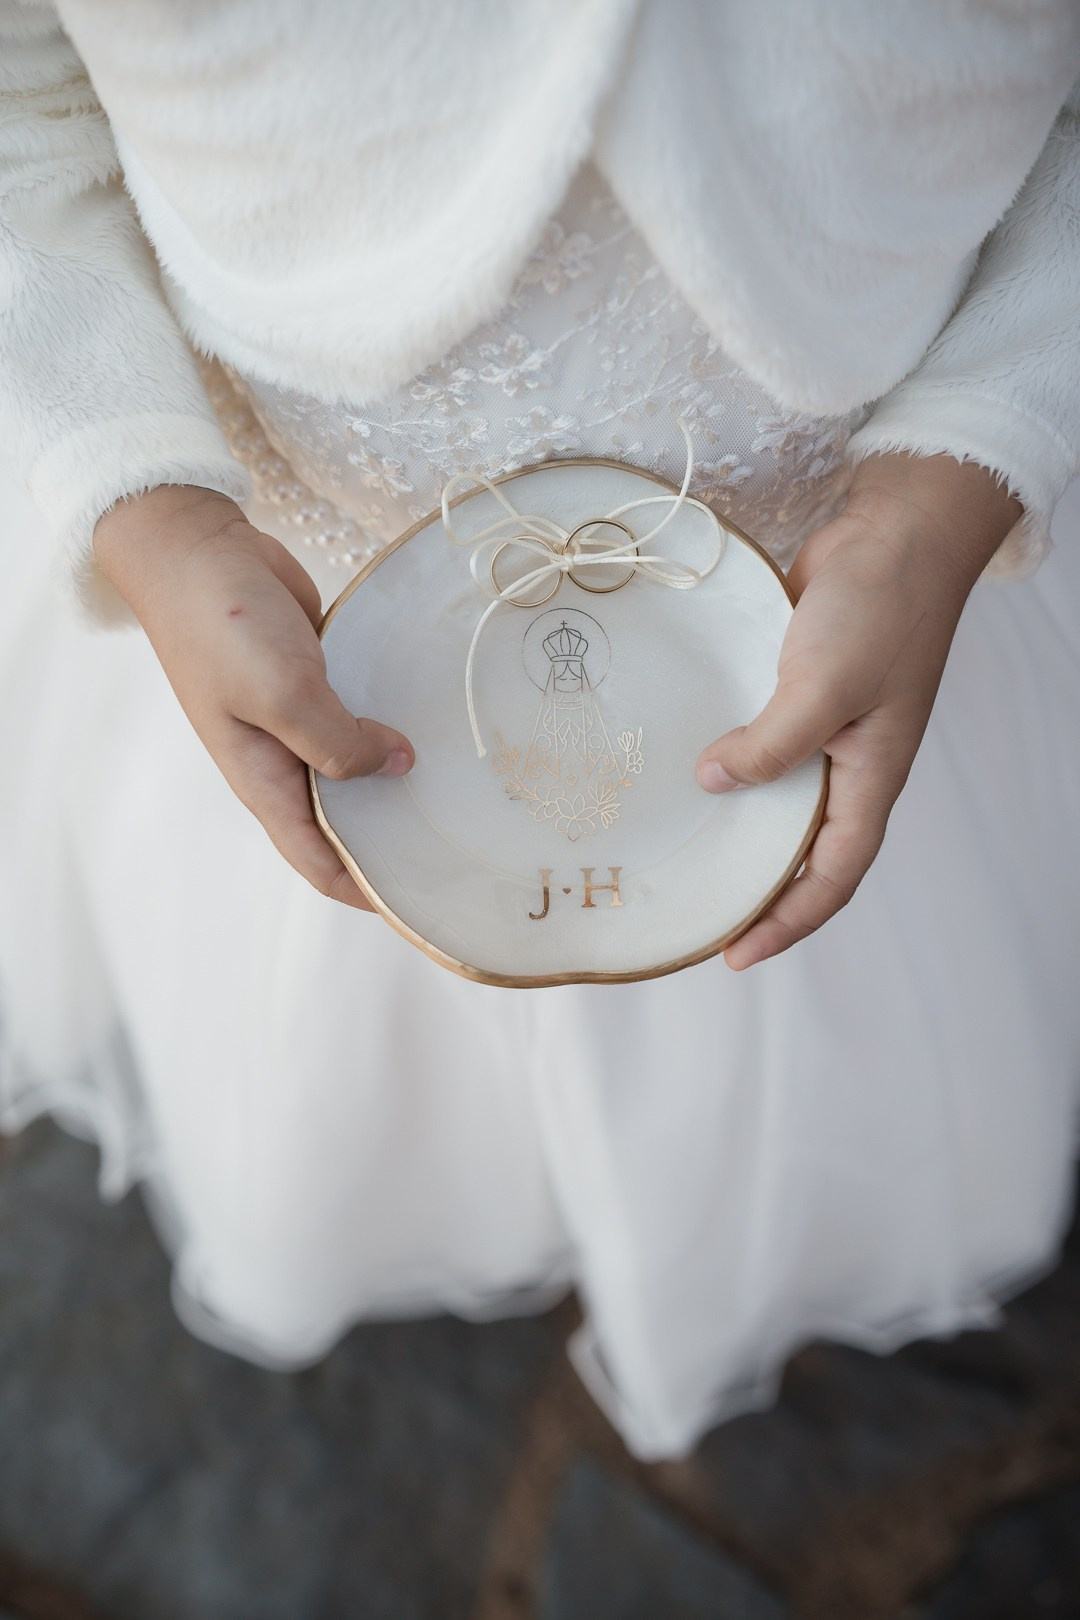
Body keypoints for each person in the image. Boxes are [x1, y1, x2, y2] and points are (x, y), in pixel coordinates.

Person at [1, 0, 1079, 1462]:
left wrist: (974, 458)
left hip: (879, 581)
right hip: (287, 576)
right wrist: (139, 496)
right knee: (354, 1003)